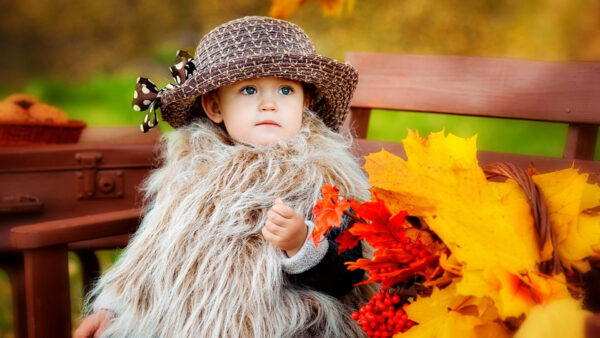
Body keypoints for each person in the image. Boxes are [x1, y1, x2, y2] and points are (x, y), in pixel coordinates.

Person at [74, 16, 373, 337]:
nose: (269, 104)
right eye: (249, 90)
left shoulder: (319, 175)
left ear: (306, 102)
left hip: (281, 323)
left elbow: (349, 276)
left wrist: (302, 244)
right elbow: (150, 255)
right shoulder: (189, 172)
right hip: (185, 323)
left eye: (286, 90)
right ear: (215, 106)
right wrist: (113, 309)